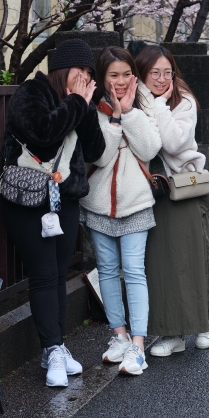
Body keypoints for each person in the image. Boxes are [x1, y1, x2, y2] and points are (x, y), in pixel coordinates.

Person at [0, 38, 105, 388]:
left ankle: (53, 348)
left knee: (58, 273)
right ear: (62, 69)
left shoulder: (81, 101)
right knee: (43, 273)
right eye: (80, 70)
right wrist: (76, 101)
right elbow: (42, 134)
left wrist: (86, 108)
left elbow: (95, 149)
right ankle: (54, 348)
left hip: (65, 199)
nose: (86, 78)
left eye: (91, 73)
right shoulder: (32, 94)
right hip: (29, 199)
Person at [134, 45, 209, 357]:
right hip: (151, 189)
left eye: (166, 72)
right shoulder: (134, 99)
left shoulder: (183, 102)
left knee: (190, 258)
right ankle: (171, 333)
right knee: (161, 264)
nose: (160, 78)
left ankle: (202, 323)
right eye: (154, 72)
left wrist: (157, 105)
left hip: (182, 187)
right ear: (142, 72)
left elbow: (170, 142)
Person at [81, 45, 161, 377]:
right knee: (108, 272)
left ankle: (138, 346)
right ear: (102, 78)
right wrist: (114, 119)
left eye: (127, 74)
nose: (122, 81)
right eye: (114, 75)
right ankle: (119, 336)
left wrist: (128, 113)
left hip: (136, 203)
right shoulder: (91, 112)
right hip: (99, 205)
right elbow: (99, 157)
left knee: (135, 272)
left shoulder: (143, 107)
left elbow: (150, 148)